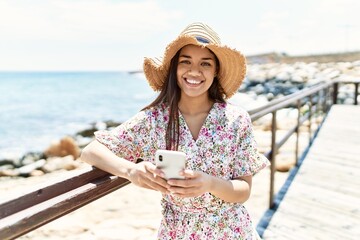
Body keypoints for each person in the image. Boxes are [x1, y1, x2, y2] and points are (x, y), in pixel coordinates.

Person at [80, 22, 270, 240]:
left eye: (205, 64)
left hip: (232, 232)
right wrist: (130, 171)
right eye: (185, 61)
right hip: (177, 232)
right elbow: (90, 151)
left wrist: (210, 183)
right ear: (175, 68)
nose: (194, 71)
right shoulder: (154, 120)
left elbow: (243, 191)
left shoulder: (236, 119)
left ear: (216, 71)